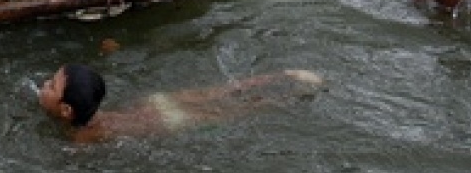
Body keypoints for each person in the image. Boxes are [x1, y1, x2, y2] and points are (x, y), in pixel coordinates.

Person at [39, 64, 324, 143]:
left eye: (51, 85)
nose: (43, 86)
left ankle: (293, 95)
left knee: (243, 109)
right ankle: (285, 75)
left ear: (66, 110)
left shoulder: (81, 137)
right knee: (225, 92)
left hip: (168, 122)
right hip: (155, 106)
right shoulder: (90, 116)